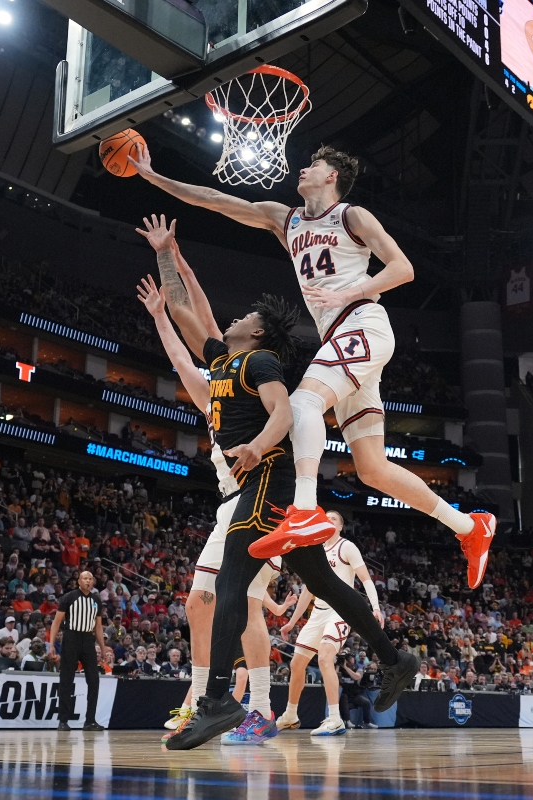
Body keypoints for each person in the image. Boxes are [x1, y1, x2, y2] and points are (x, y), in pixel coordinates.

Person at [129, 145, 495, 589]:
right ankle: (470, 528)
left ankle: (303, 511)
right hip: (342, 337)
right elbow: (214, 199)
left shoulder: (351, 216)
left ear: (332, 177)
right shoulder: (286, 219)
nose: (303, 168)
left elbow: (403, 269)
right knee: (372, 469)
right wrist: (152, 177)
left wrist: (351, 292)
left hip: (362, 323)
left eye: (313, 165)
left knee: (302, 402)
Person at [135, 233, 417, 751]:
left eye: (244, 316)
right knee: (325, 583)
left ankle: (217, 700)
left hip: (268, 478)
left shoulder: (262, 364)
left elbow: (285, 414)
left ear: (259, 332)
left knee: (230, 586)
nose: (232, 319)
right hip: (264, 483)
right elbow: (181, 307)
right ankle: (395, 659)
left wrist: (256, 447)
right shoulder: (222, 359)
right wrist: (164, 251)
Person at [137, 261, 284, 738]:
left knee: (224, 603)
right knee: (222, 605)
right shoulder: (213, 391)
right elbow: (185, 356)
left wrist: (177, 262)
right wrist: (160, 313)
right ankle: (230, 705)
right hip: (240, 501)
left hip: (256, 496)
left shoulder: (244, 378)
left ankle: (234, 704)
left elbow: (201, 323)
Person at [277, 510, 383, 735]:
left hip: (340, 610)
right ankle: (291, 714)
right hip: (317, 613)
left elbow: (366, 579)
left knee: (325, 657)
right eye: (326, 518)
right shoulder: (316, 551)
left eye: (334, 518)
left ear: (340, 526)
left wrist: (375, 607)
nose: (329, 520)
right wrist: (291, 623)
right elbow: (308, 590)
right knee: (296, 664)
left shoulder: (347, 547)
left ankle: (335, 718)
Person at [48, 570, 106, 731]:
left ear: (93, 582)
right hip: (71, 638)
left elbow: (99, 627)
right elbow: (56, 622)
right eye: (85, 578)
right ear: (79, 581)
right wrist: (51, 644)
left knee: (94, 680)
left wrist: (103, 648)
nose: (88, 581)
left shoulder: (96, 600)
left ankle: (90, 720)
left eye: (90, 578)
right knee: (66, 680)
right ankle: (63, 720)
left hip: (88, 640)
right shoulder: (69, 597)